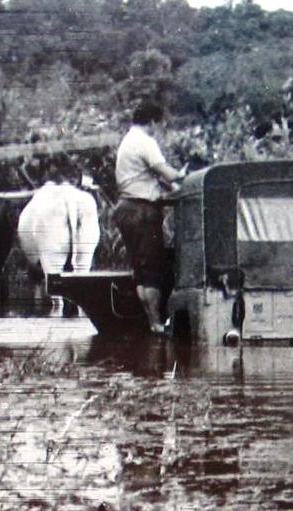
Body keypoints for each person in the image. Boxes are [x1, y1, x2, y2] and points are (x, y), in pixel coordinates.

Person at [113, 100, 184, 335]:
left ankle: (151, 322)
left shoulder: (127, 141)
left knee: (141, 272)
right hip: (142, 210)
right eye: (158, 123)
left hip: (125, 208)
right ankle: (157, 323)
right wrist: (182, 175)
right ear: (153, 121)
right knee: (153, 269)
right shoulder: (145, 141)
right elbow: (166, 172)